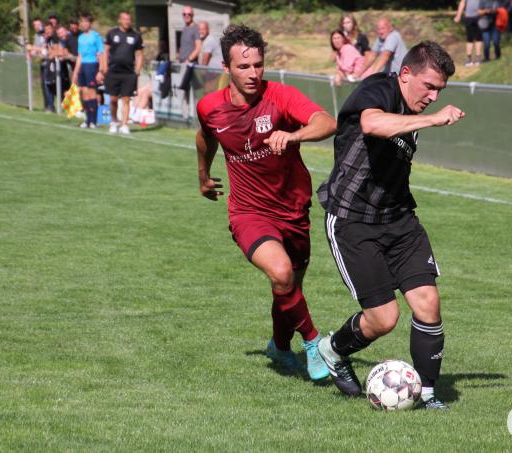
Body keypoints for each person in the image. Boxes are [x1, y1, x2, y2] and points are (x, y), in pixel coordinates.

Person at [315, 40, 463, 410]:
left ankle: (427, 395)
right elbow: (372, 123)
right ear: (406, 74)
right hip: (353, 219)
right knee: (383, 319)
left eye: (439, 91)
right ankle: (332, 349)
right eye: (429, 86)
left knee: (428, 302)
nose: (433, 96)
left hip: (399, 219)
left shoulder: (413, 108)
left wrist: (424, 116)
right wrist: (433, 118)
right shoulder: (379, 88)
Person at [195, 25, 337, 380]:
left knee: (288, 286)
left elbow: (326, 122)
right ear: (227, 68)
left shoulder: (281, 96)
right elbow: (205, 137)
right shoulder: (210, 107)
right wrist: (203, 175)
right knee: (281, 272)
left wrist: (294, 135)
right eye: (243, 66)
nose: (253, 73)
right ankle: (314, 343)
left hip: (294, 210)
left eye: (258, 65)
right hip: (249, 213)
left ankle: (279, 347)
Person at [101, 11, 144, 135]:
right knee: (113, 99)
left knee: (126, 99)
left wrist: (137, 71)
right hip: (113, 71)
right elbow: (105, 51)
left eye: (128, 19)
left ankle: (124, 124)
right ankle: (114, 122)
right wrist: (104, 66)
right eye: (124, 19)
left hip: (129, 73)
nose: (126, 22)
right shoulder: (112, 33)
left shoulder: (136, 35)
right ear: (120, 20)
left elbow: (140, 54)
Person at [72, 13, 103, 129]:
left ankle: (94, 121)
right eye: (82, 21)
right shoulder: (80, 37)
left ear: (90, 23)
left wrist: (100, 71)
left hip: (92, 65)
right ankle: (87, 119)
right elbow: (80, 56)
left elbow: (101, 53)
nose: (84, 24)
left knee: (91, 93)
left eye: (86, 21)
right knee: (84, 93)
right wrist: (76, 72)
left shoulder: (96, 36)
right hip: (83, 67)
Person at [455, 0, 484, 65]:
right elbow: (462, 2)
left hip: (479, 17)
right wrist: (458, 16)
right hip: (468, 17)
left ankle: (478, 58)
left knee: (479, 38)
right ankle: (469, 59)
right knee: (469, 38)